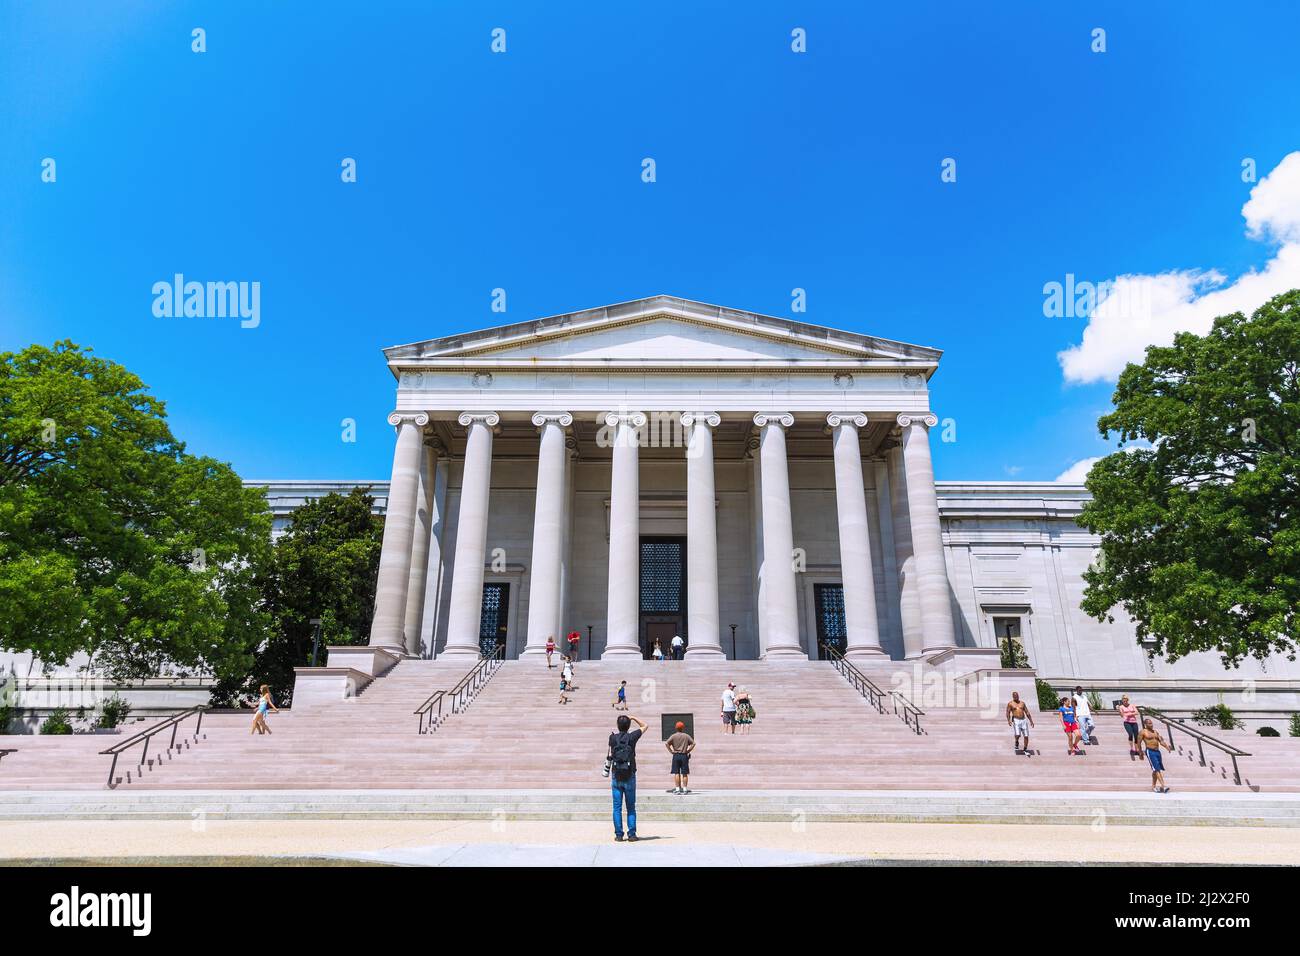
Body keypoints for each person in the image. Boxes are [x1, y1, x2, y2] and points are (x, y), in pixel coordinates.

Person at [607, 713, 648, 841]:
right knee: (631, 807)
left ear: (617, 725)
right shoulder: (632, 737)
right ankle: (632, 834)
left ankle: (619, 835)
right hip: (630, 774)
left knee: (617, 807)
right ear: (628, 725)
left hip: (616, 775)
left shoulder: (612, 738)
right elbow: (645, 725)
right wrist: (634, 717)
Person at [1139, 717, 1174, 793]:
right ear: (1145, 724)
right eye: (1149, 723)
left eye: (1151, 723)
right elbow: (1138, 743)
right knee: (1157, 769)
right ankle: (1163, 786)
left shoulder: (1155, 732)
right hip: (1150, 751)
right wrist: (1140, 753)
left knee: (1156, 769)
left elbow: (1161, 741)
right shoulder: (1143, 732)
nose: (1151, 725)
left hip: (1157, 752)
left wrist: (1167, 747)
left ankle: (1153, 786)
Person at [665, 720, 695, 794]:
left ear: (676, 728)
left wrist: (671, 751)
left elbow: (666, 743)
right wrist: (688, 750)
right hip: (684, 755)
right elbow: (693, 743)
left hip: (676, 755)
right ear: (683, 728)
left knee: (676, 773)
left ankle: (678, 789)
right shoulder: (686, 736)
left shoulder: (673, 736)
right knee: (684, 773)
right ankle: (685, 789)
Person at [1118, 695, 1142, 759]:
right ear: (1122, 700)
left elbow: (1137, 712)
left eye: (1126, 700)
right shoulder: (1121, 707)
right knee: (1130, 734)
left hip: (1134, 722)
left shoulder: (1132, 705)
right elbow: (1122, 715)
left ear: (1127, 700)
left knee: (1136, 736)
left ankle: (1136, 749)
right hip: (1127, 722)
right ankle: (1132, 749)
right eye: (1123, 700)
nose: (1124, 701)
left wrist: (1129, 714)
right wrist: (1121, 712)